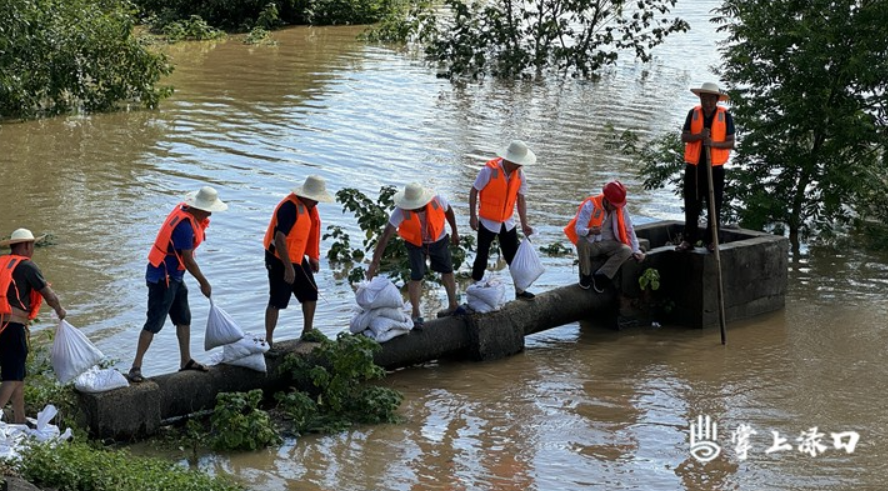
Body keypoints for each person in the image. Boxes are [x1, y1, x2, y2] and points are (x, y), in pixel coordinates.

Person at [128, 186, 227, 383]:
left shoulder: (186, 213)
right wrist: (204, 283)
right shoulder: (184, 227)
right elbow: (188, 260)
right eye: (208, 210)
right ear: (198, 208)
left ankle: (185, 360)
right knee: (154, 322)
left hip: (175, 276)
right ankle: (135, 367)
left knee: (184, 318)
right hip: (162, 278)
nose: (209, 214)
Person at [367, 183, 464, 329]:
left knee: (447, 270)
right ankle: (416, 313)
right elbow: (386, 234)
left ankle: (453, 305)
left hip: (438, 239)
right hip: (415, 244)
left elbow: (449, 211)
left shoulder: (438, 201)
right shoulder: (401, 211)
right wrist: (374, 262)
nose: (414, 208)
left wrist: (455, 231)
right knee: (417, 275)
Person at [0, 229, 67, 423]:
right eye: (33, 246)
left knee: (17, 373)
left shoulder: (3, 264)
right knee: (12, 377)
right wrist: (60, 311)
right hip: (13, 327)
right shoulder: (28, 266)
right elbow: (49, 295)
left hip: (2, 326)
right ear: (27, 246)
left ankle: (20, 420)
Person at [263, 175, 333, 347]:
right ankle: (268, 341)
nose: (316, 203)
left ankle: (307, 331)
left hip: (296, 256)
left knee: (310, 292)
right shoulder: (289, 208)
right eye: (314, 199)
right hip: (279, 258)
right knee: (277, 300)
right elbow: (280, 239)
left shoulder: (308, 207)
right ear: (305, 194)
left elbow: (304, 234)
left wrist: (312, 256)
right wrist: (288, 268)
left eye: (318, 200)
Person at [469, 139, 537, 300]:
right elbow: (474, 191)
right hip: (487, 221)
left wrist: (524, 223)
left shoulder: (520, 174)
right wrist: (473, 216)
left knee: (513, 257)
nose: (521, 165)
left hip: (507, 222)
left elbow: (521, 200)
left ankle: (520, 291)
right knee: (482, 257)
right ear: (510, 159)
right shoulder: (489, 170)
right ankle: (474, 290)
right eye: (519, 162)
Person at [676, 82, 736, 253]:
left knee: (714, 204)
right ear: (700, 98)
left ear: (716, 100)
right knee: (691, 203)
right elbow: (685, 137)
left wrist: (713, 143)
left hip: (715, 168)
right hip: (694, 167)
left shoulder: (725, 116)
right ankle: (689, 239)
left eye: (711, 99)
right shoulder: (693, 113)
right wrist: (699, 136)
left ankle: (712, 241)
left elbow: (731, 142)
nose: (707, 102)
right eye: (704, 98)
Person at [564, 181, 645, 293]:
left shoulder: (620, 208)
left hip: (609, 244)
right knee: (581, 242)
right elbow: (578, 229)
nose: (615, 208)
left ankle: (602, 276)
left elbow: (629, 228)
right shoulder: (590, 205)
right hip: (592, 244)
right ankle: (586, 275)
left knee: (626, 250)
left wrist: (636, 249)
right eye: (613, 205)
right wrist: (589, 231)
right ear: (606, 200)